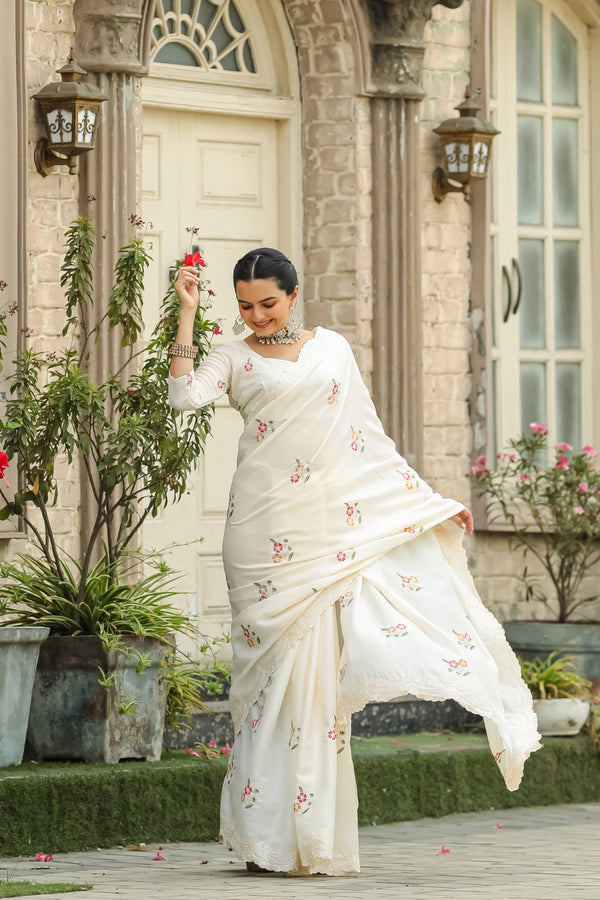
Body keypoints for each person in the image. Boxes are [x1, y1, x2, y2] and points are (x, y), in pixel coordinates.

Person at [168, 248, 541, 877]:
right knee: (263, 691)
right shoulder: (231, 356)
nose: (257, 316)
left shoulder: (332, 350)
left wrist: (428, 503)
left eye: (268, 303)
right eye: (244, 305)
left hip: (325, 535)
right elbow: (182, 398)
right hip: (262, 537)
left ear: (293, 295)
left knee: (315, 691)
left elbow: (369, 441)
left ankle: (308, 842)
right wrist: (185, 313)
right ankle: (263, 839)